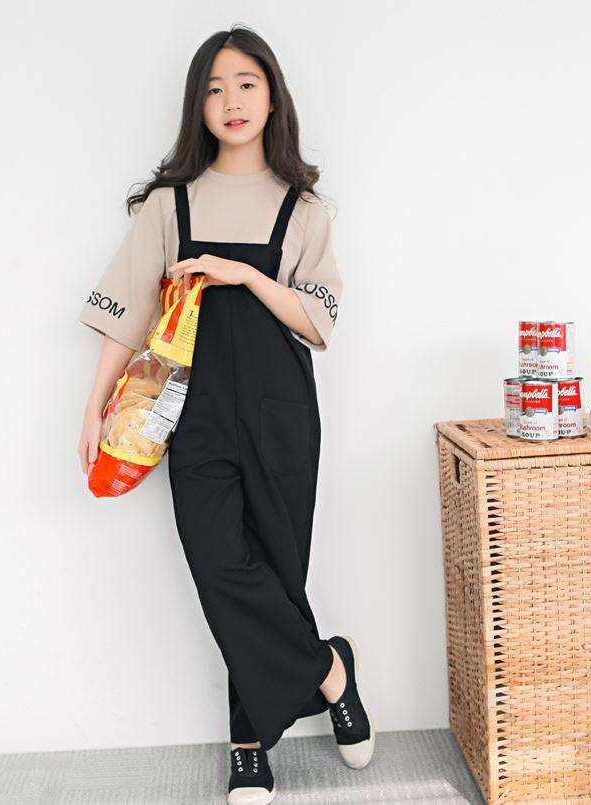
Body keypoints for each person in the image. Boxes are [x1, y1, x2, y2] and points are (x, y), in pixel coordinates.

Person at [76, 24, 374, 804]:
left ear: (272, 96)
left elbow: (318, 322)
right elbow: (126, 312)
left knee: (276, 569)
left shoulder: (304, 209)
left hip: (281, 412)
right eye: (213, 88)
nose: (230, 100)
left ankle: (247, 745)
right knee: (220, 568)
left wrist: (241, 273)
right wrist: (94, 409)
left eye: (245, 83)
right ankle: (330, 669)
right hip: (194, 410)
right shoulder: (168, 205)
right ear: (196, 106)